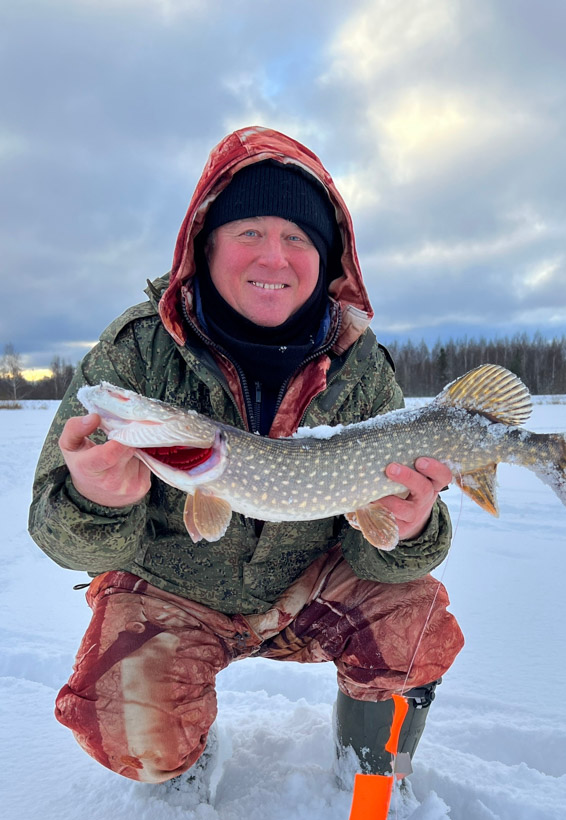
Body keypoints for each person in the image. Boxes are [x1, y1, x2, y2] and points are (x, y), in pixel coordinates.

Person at [29, 127, 464, 786]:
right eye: (248, 233)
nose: (275, 257)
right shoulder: (137, 353)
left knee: (413, 617)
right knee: (135, 737)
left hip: (311, 588)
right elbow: (59, 537)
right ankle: (187, 770)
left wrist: (408, 528)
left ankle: (371, 786)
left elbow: (389, 557)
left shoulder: (362, 369)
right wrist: (96, 504)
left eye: (297, 238)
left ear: (327, 259)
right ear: (205, 246)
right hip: (177, 590)